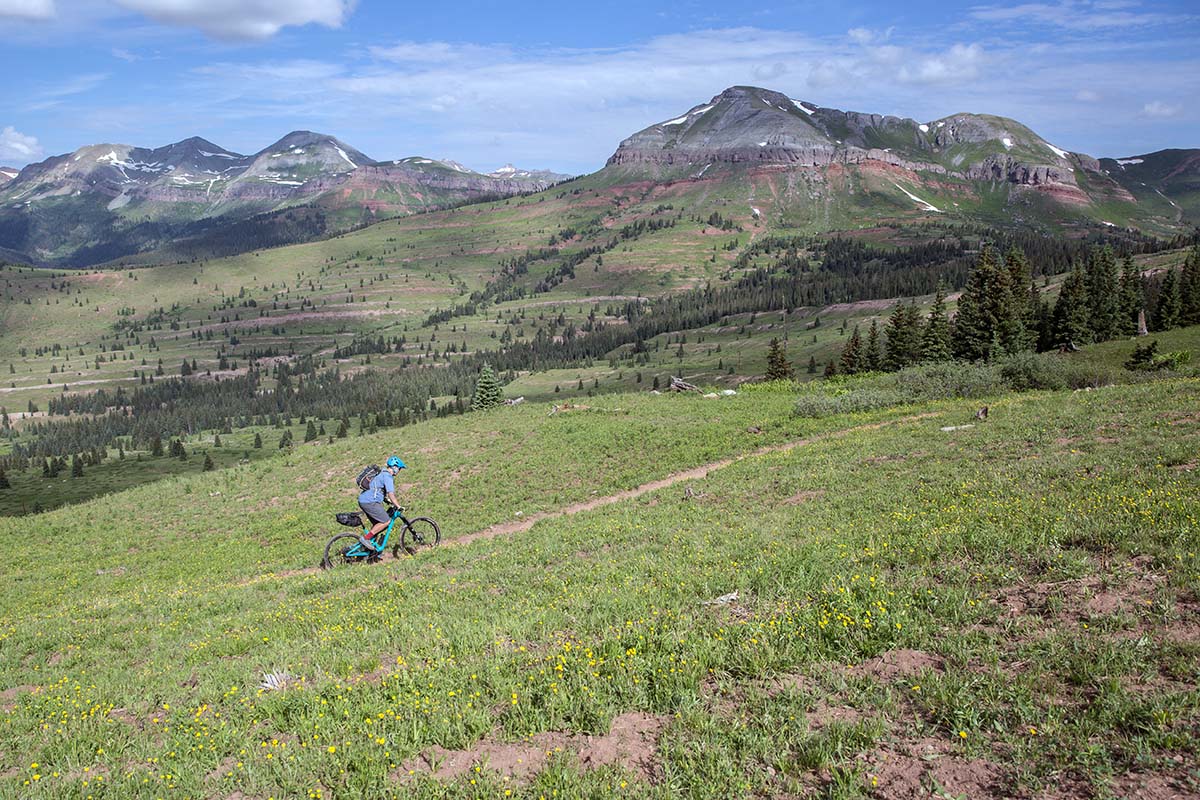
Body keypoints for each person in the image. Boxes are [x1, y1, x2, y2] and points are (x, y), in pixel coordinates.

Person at [358, 456, 405, 549]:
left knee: (378, 525)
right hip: (369, 502)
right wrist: (398, 505)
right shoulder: (387, 476)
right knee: (385, 521)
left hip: (364, 500)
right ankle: (366, 539)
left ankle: (370, 551)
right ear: (395, 467)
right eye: (399, 469)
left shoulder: (381, 474)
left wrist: (386, 500)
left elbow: (376, 489)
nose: (399, 471)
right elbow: (391, 494)